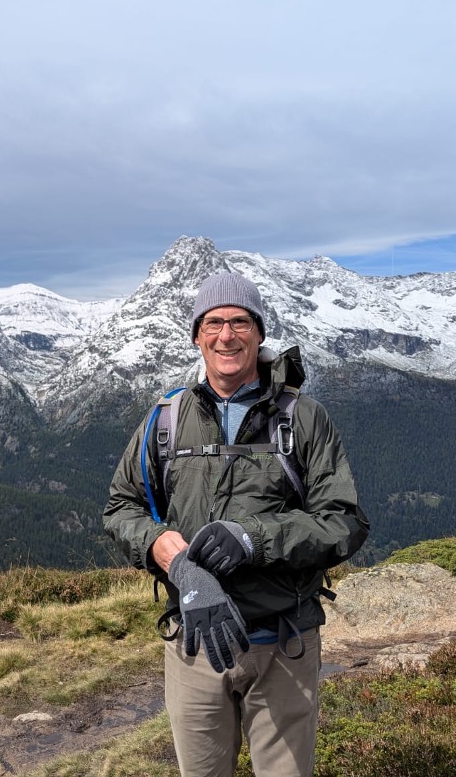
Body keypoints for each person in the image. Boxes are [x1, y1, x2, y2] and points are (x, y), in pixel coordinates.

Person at [104, 271, 369, 777]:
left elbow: (344, 521)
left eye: (240, 322)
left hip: (283, 645)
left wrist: (253, 539)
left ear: (259, 333)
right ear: (197, 336)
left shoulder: (303, 418)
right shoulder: (165, 419)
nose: (227, 335)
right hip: (194, 646)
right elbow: (122, 508)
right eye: (214, 323)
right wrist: (174, 560)